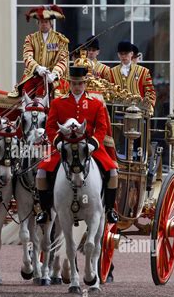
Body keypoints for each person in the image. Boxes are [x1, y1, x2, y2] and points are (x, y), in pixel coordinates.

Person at [35, 66, 119, 225]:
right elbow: (50, 127)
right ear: (69, 84)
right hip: (62, 146)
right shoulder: (58, 103)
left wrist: (94, 143)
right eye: (74, 83)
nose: (77, 87)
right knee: (41, 172)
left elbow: (101, 128)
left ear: (85, 84)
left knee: (113, 172)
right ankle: (45, 211)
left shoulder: (96, 103)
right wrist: (57, 142)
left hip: (89, 146)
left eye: (80, 83)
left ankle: (109, 209)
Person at [8, 5, 69, 99]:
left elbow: (63, 60)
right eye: (41, 22)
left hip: (52, 76)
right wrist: (37, 68)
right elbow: (27, 56)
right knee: (26, 92)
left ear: (51, 23)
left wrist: (54, 74)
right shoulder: (30, 38)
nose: (43, 24)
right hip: (34, 75)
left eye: (46, 22)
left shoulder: (60, 39)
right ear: (38, 23)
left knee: (57, 96)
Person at [108, 41, 156, 108]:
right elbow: (109, 92)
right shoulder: (111, 72)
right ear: (118, 55)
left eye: (126, 54)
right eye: (121, 54)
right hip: (118, 111)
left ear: (131, 54)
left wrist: (148, 106)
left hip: (138, 111)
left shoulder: (143, 71)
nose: (124, 56)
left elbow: (150, 92)